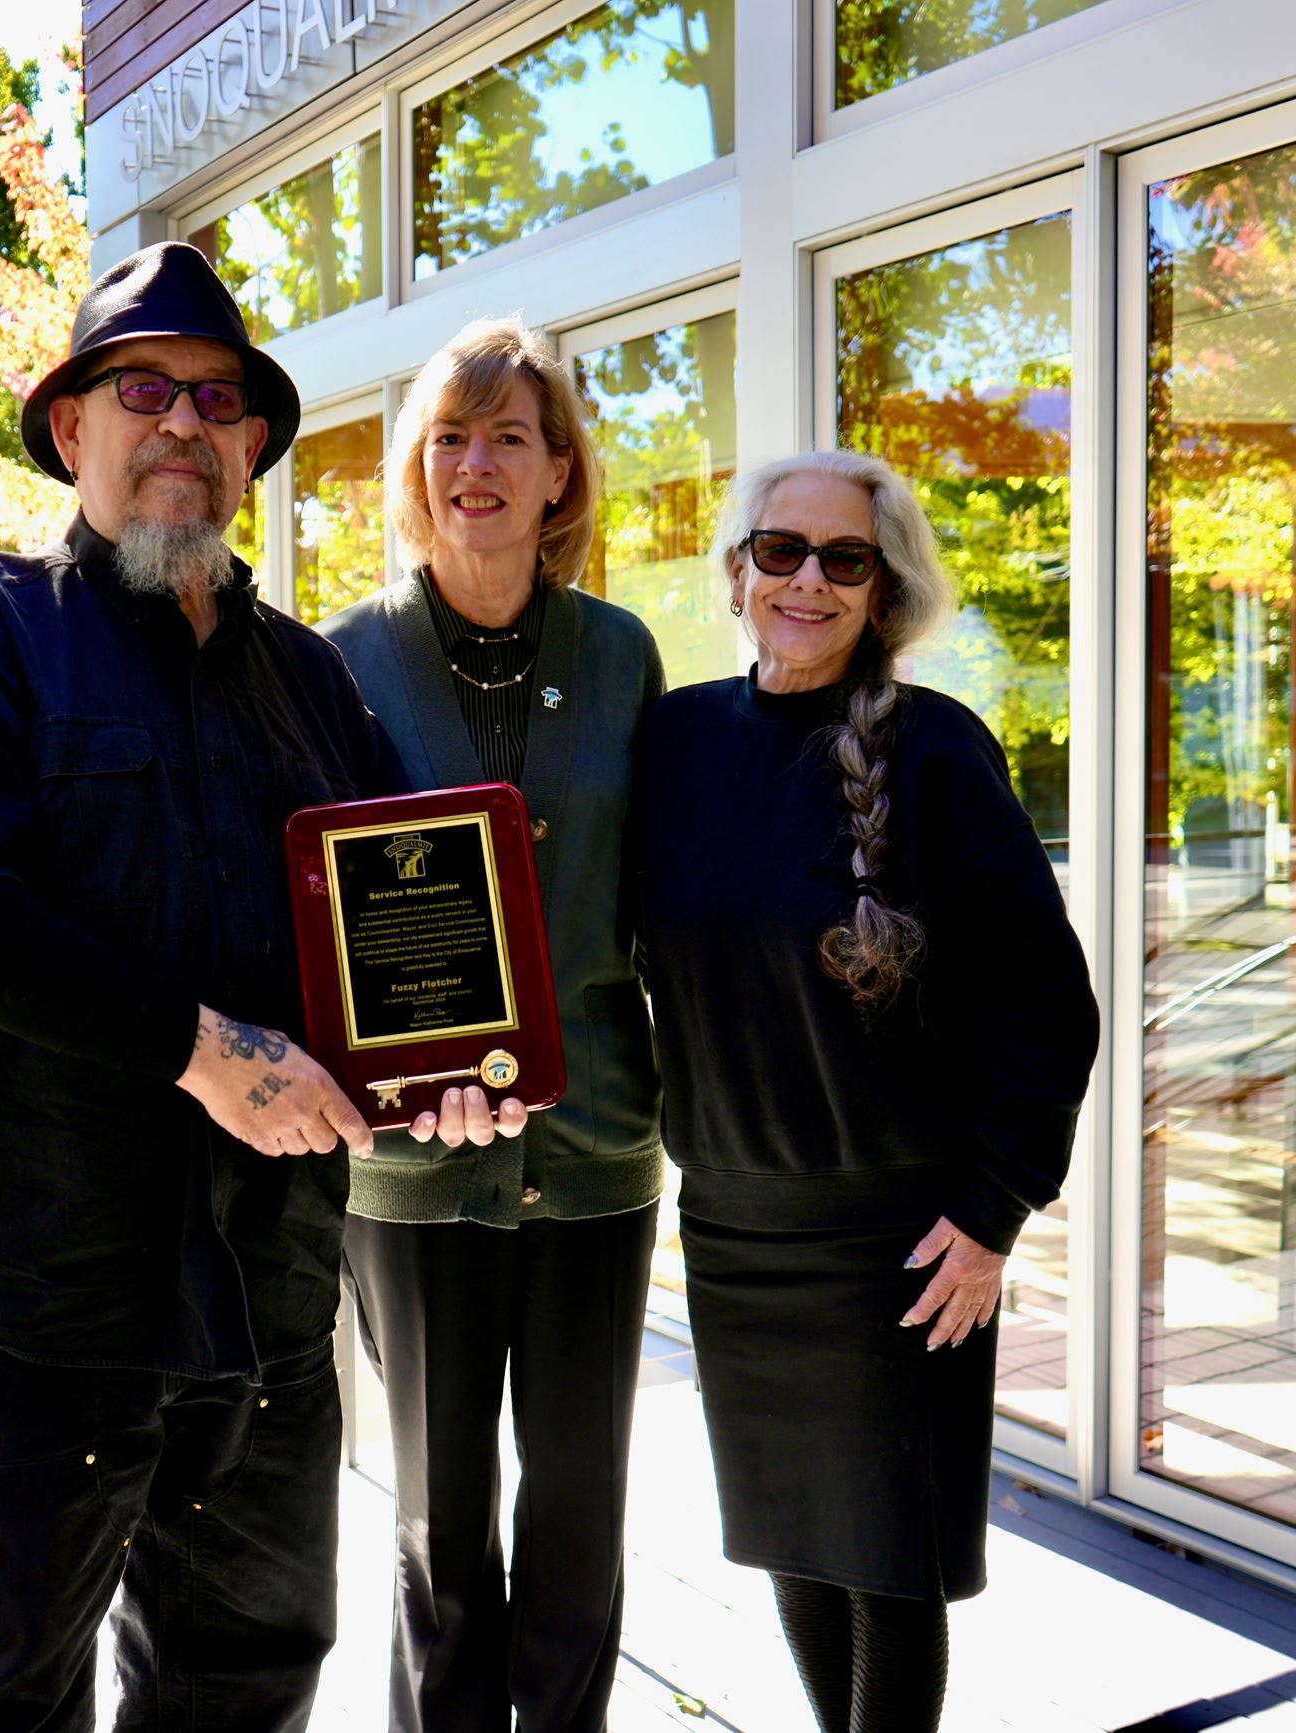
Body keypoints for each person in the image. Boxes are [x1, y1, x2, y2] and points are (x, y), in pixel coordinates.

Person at [0, 243, 394, 1733]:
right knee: (9, 1699)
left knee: (250, 1681)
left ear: (256, 449)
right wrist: (200, 1049)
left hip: (270, 1302)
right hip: (39, 1304)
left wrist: (436, 1070)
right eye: (139, 387)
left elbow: (388, 943)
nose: (182, 422)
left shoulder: (314, 684)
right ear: (70, 427)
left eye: (219, 400)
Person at [631, 451, 1098, 1733]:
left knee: (888, 1572)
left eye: (846, 560)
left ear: (882, 591)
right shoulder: (671, 741)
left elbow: (1045, 1003)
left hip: (900, 1238)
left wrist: (997, 1204)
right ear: (735, 571)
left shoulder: (937, 752)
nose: (808, 581)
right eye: (781, 550)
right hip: (731, 1225)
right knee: (791, 1542)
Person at [318, 316, 665, 1733]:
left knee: (578, 1530)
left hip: (591, 1158)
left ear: (561, 472)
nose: (477, 464)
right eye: (450, 437)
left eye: (510, 436)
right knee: (441, 1535)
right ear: (415, 468)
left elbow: (667, 891)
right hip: (409, 1180)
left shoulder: (623, 655)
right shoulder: (343, 661)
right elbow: (314, 916)